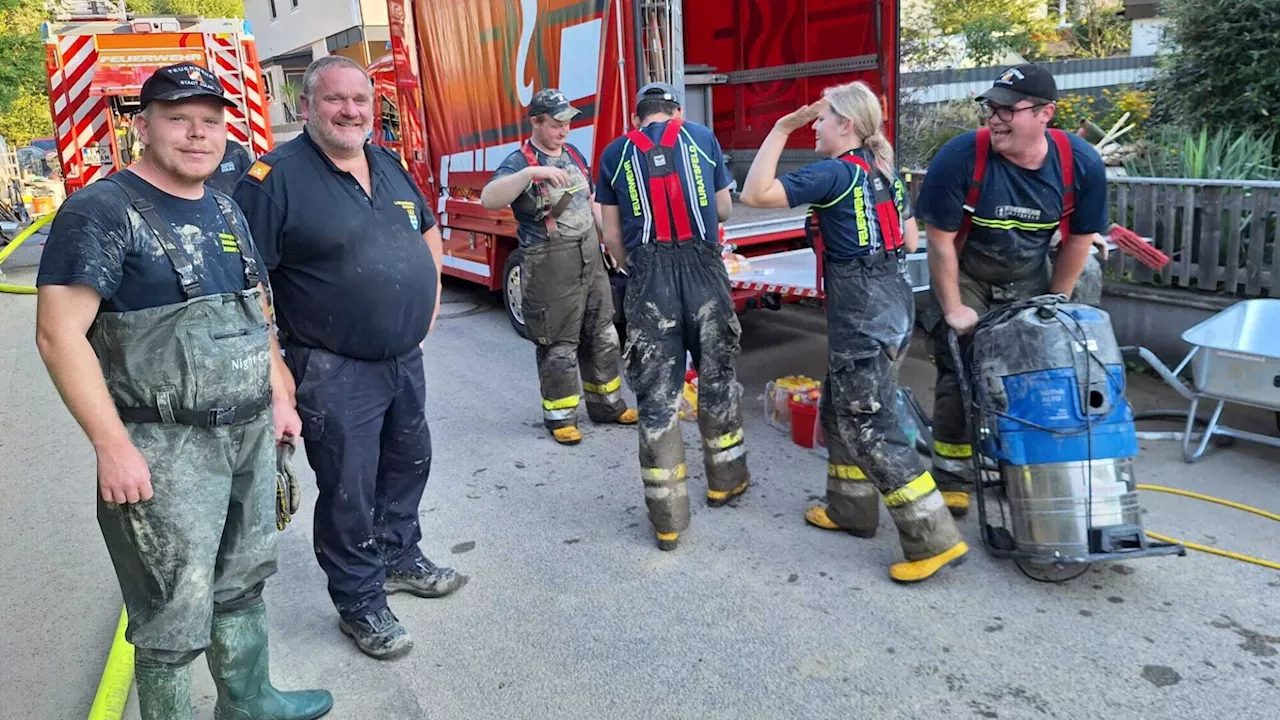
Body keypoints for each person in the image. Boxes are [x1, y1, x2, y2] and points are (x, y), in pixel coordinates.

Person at [34, 62, 332, 720]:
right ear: (143, 126)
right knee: (173, 609)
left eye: (211, 122)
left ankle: (251, 703)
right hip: (164, 446)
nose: (199, 135)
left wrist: (278, 389)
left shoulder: (225, 204)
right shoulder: (103, 210)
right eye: (178, 120)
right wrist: (112, 446)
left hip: (248, 435)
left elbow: (255, 304)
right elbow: (58, 335)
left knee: (244, 579)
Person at [233, 55, 464, 662]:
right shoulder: (273, 178)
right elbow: (249, 281)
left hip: (401, 359)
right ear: (306, 106)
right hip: (331, 365)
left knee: (408, 463)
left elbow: (427, 229)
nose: (350, 111)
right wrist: (277, 370)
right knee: (348, 488)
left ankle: (397, 555)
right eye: (335, 100)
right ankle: (359, 599)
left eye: (360, 99)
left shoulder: (386, 162)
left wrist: (427, 302)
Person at [740, 81, 968, 583]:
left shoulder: (836, 172)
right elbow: (908, 236)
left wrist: (780, 128)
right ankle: (850, 509)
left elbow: (754, 194)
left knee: (868, 422)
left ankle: (934, 536)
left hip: (864, 311)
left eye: (820, 118)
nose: (813, 126)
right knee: (841, 410)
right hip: (891, 300)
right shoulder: (884, 170)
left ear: (846, 125)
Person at [915, 64, 1108, 505]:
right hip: (968, 271)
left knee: (1034, 369)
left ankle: (1020, 460)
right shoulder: (961, 157)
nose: (994, 118)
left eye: (1007, 109)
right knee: (959, 365)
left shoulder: (1080, 163)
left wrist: (1055, 302)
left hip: (1028, 273)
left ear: (1046, 114)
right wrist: (953, 309)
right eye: (990, 107)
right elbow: (940, 242)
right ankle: (952, 474)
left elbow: (1079, 239)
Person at [595, 82, 750, 551]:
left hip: (650, 278)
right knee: (717, 376)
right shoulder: (701, 137)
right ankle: (725, 481)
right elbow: (723, 207)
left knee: (659, 395)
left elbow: (610, 228)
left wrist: (630, 267)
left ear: (638, 117)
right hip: (703, 271)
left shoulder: (615, 153)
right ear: (675, 111)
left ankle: (667, 519)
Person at [479, 88, 637, 445]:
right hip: (550, 261)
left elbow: (593, 201)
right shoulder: (519, 162)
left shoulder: (575, 155)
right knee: (559, 342)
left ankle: (607, 405)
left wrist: (609, 243)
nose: (564, 130)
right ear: (535, 122)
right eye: (556, 124)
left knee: (602, 333)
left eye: (567, 123)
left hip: (589, 258)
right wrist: (533, 172)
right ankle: (561, 415)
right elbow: (490, 198)